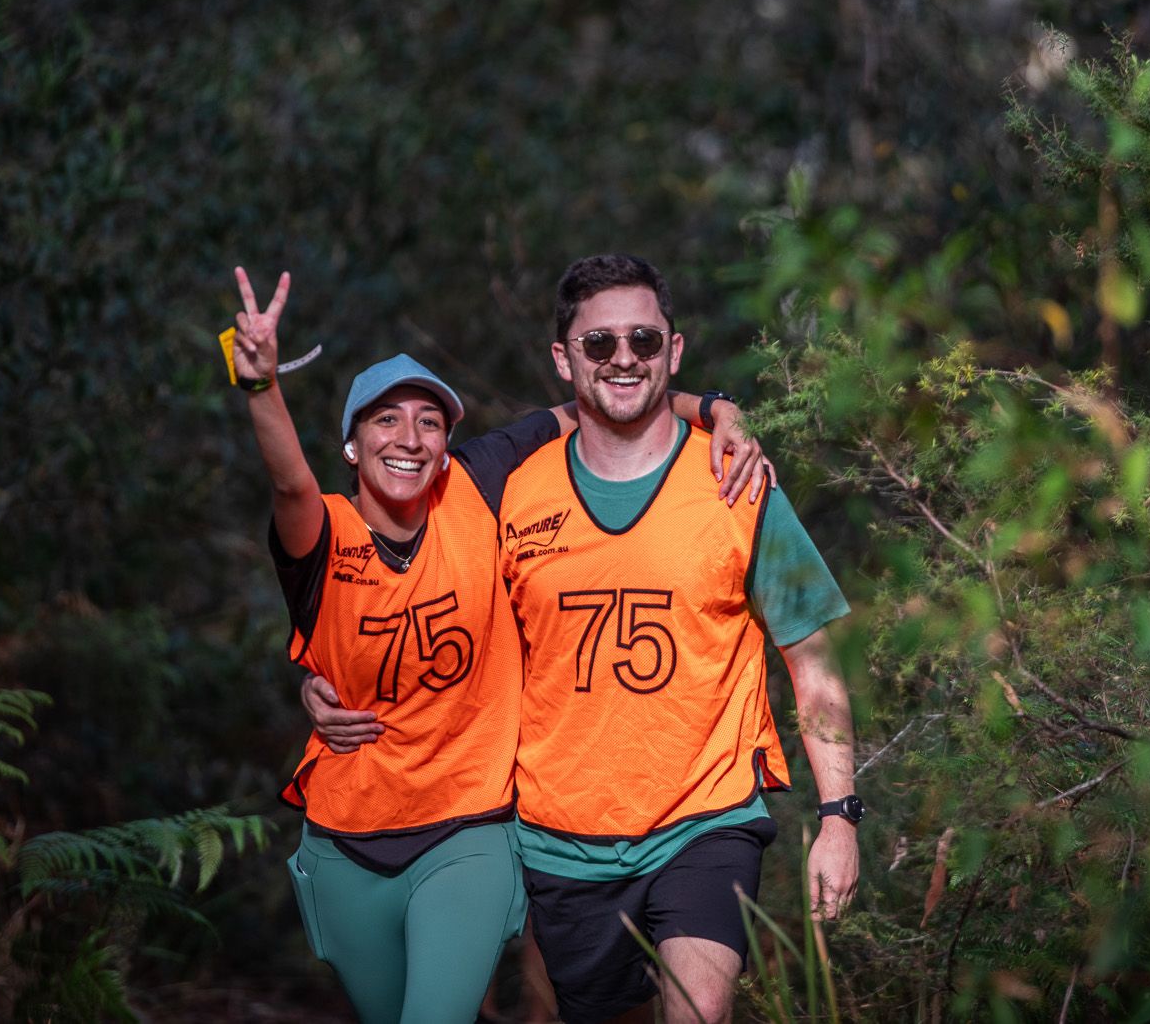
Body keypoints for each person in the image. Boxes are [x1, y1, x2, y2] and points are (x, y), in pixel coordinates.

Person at [309, 254, 861, 1024]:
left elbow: (813, 656)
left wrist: (840, 814)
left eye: (644, 338)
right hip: (559, 841)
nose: (624, 356)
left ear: (674, 349)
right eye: (599, 343)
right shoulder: (507, 494)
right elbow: (405, 610)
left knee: (698, 1011)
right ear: (564, 359)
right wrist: (326, 683)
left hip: (707, 820)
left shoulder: (737, 483)